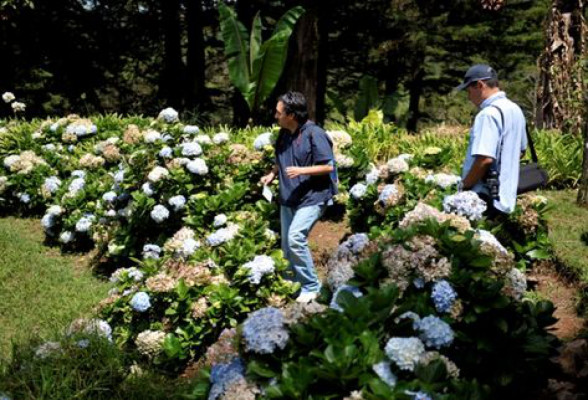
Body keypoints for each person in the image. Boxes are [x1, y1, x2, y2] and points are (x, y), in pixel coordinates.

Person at [260, 91, 336, 303]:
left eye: (279, 112)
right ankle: (292, 287)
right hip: (288, 197)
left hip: (312, 198)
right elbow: (281, 160)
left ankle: (312, 286)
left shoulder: (315, 134)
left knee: (295, 238)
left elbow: (328, 166)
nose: (276, 116)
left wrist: (302, 171)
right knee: (286, 246)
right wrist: (272, 174)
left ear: (291, 115)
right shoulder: (283, 134)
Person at [456, 64, 527, 216]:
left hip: (485, 197)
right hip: (506, 195)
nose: (469, 97)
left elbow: (484, 159)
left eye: (469, 91)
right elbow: (521, 151)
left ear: (480, 85)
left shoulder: (488, 114)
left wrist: (464, 186)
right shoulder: (515, 109)